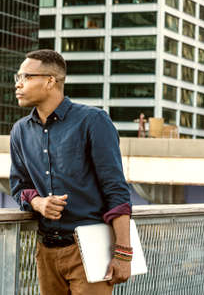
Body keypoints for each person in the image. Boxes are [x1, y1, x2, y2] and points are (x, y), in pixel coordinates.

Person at [10, 49, 132, 295]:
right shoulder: (20, 131)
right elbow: (19, 186)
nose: (18, 84)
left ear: (50, 81)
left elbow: (116, 189)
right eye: (17, 77)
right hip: (45, 251)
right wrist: (38, 203)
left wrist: (123, 254)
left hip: (89, 249)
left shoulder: (93, 121)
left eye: (26, 77)